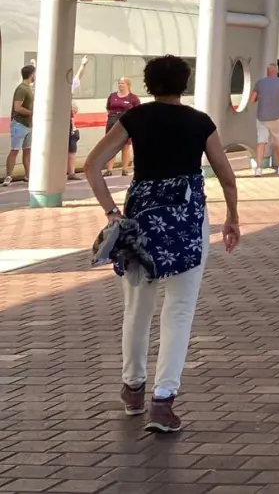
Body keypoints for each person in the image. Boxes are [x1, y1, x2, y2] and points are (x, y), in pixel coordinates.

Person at [83, 54, 240, 434]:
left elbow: (92, 165)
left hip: (141, 223)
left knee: (137, 308)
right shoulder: (200, 123)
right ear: (184, 84)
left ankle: (133, 389)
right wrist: (232, 217)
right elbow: (226, 175)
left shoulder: (134, 118)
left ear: (149, 85)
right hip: (187, 223)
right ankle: (163, 401)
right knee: (179, 310)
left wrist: (111, 212)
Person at [250, 64, 279, 177]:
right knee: (278, 141)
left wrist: (259, 98)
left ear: (267, 71)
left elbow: (252, 99)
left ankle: (258, 168)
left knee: (261, 142)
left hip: (261, 117)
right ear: (277, 71)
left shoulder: (260, 83)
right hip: (277, 117)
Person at [3, 64, 35, 186]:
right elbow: (17, 108)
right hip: (19, 124)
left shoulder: (28, 88)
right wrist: (33, 113)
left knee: (27, 151)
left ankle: (28, 175)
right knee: (15, 150)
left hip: (28, 125)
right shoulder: (22, 89)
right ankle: (8, 176)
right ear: (32, 75)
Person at [105, 76, 141, 176]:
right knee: (111, 146)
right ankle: (109, 169)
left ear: (128, 85)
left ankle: (125, 169)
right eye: (119, 83)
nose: (120, 85)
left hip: (126, 124)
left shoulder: (133, 98)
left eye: (122, 83)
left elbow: (137, 111)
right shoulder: (112, 96)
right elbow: (108, 108)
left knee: (125, 146)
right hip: (112, 122)